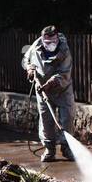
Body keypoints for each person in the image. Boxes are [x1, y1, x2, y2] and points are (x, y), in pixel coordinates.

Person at [23, 25, 74, 162]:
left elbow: (64, 73)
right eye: (47, 43)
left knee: (67, 118)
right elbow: (26, 59)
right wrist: (29, 69)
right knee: (46, 120)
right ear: (42, 39)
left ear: (57, 39)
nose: (49, 45)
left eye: (52, 42)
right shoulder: (36, 46)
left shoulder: (64, 49)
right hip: (42, 90)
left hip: (62, 89)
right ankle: (49, 149)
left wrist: (50, 83)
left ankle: (67, 148)